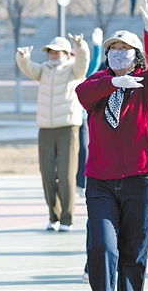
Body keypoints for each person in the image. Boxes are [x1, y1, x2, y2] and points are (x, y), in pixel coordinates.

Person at [76, 0, 148, 291]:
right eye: (114, 50)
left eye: (125, 49)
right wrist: (113, 84)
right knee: (102, 248)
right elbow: (82, 93)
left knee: (134, 252)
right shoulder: (98, 82)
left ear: (137, 56)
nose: (118, 54)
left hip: (140, 179)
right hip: (101, 182)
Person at [16, 33, 90, 232]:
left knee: (66, 174)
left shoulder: (74, 69)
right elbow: (28, 68)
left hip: (68, 128)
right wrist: (22, 57)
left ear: (66, 53)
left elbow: (83, 62)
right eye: (50, 52)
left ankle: (67, 218)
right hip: (46, 128)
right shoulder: (44, 70)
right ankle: (53, 216)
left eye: (57, 52)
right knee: (47, 174)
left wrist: (80, 45)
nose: (53, 55)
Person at [77, 27, 103, 198]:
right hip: (65, 120)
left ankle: (80, 183)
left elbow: (94, 63)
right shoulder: (61, 73)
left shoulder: (81, 73)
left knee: (83, 150)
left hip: (81, 119)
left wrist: (97, 46)